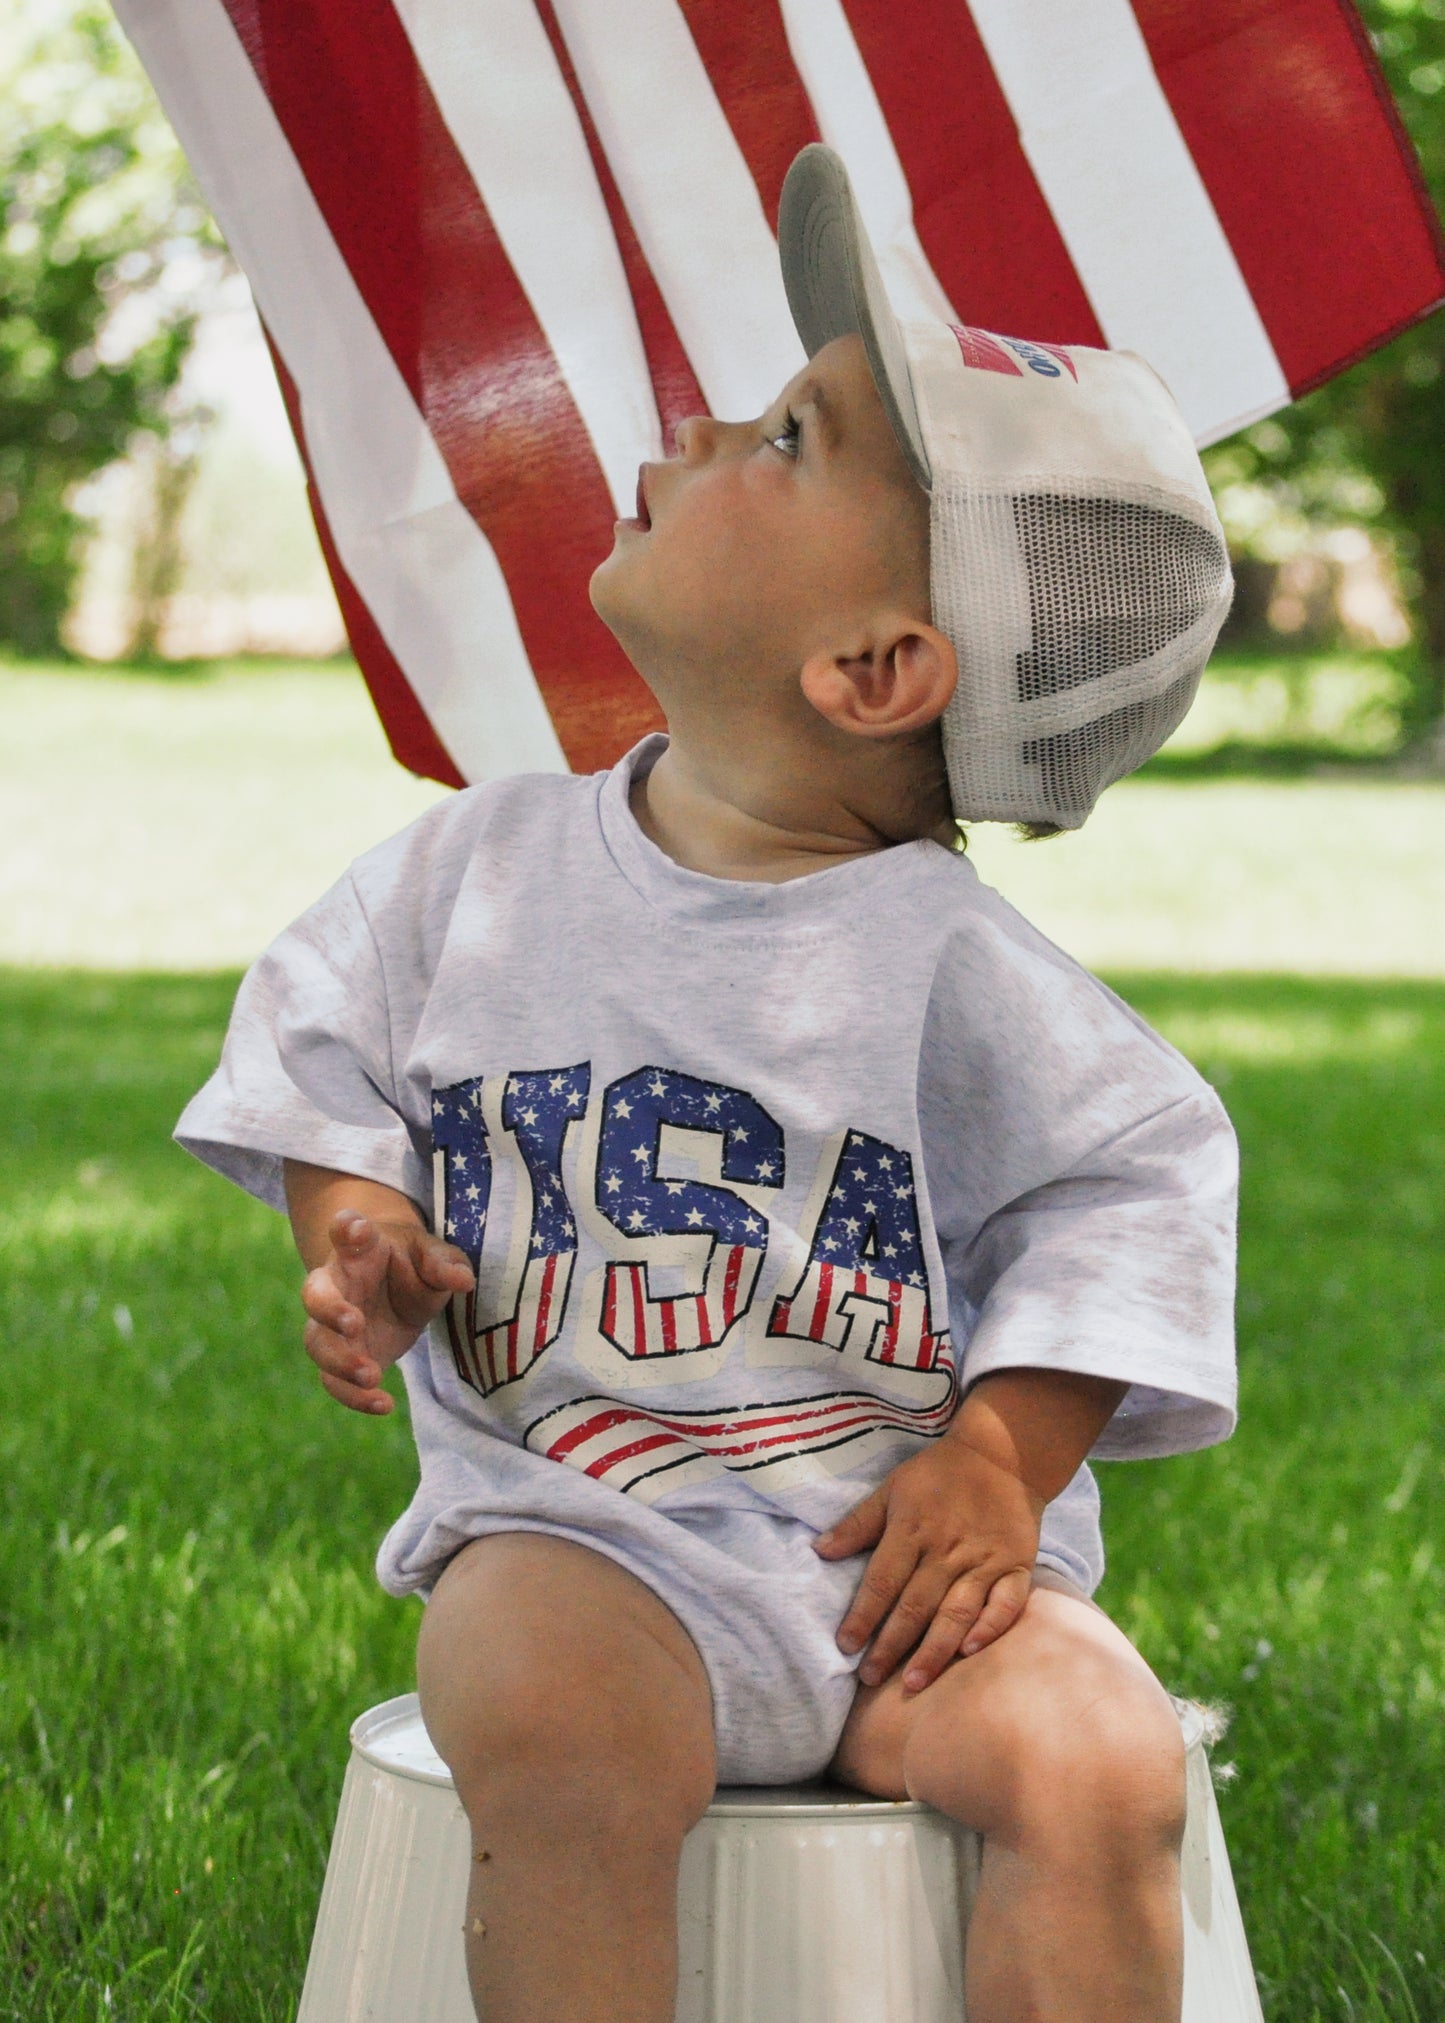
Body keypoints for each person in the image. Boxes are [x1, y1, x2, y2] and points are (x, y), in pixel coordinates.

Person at [176, 145, 1238, 2023]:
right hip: (587, 1532)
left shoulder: (955, 969)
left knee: (1104, 1759)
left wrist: (999, 1463)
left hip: (909, 1585)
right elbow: (319, 1049)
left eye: (782, 439)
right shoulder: (472, 875)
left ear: (874, 666)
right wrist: (356, 1225)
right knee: (549, 1721)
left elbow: (1135, 1181)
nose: (696, 422)